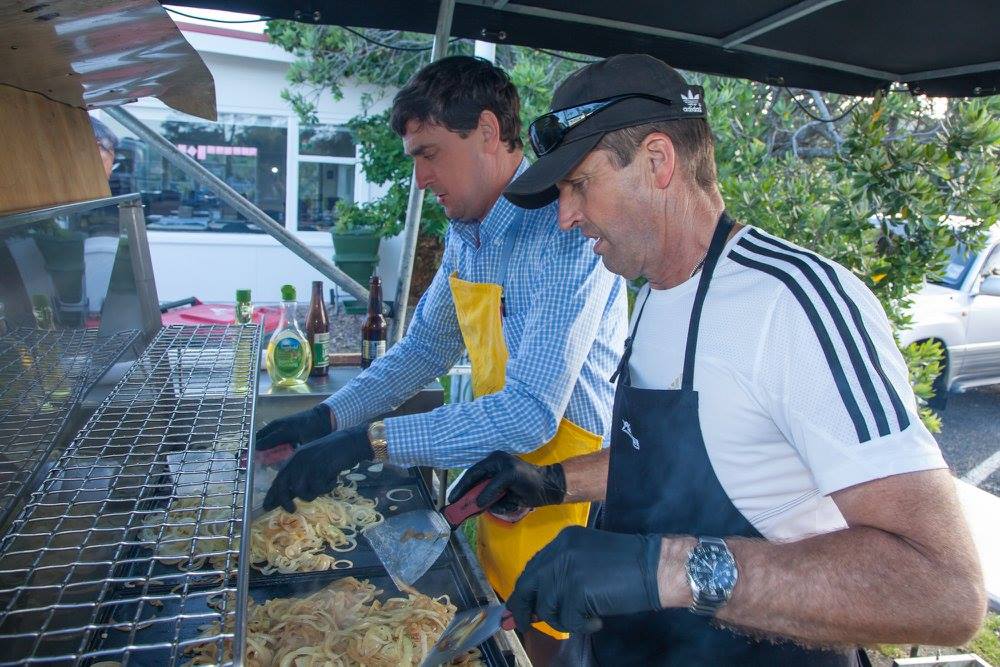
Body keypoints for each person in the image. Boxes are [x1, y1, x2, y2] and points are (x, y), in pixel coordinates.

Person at [450, 54, 986, 665]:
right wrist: (551, 482)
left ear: (658, 161)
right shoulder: (656, 294)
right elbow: (676, 459)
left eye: (578, 185)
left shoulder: (794, 303)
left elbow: (944, 590)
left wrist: (665, 570)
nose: (567, 217)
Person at [257, 55, 627, 660]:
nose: (421, 178)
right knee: (500, 622)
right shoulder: (468, 233)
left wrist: (367, 442)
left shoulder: (563, 231)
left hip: (569, 491)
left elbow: (531, 414)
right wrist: (327, 418)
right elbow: (424, 349)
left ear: (487, 131)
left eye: (429, 153)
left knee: (552, 644)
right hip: (503, 479)